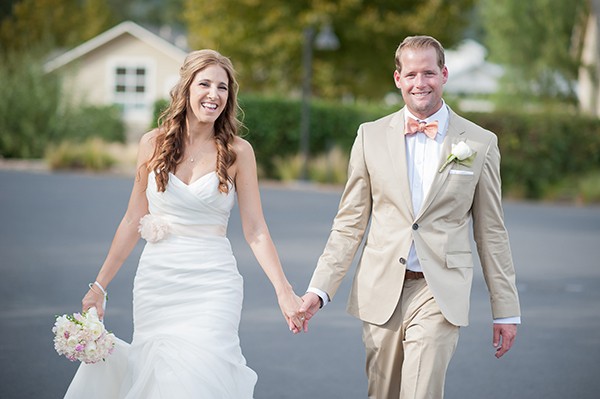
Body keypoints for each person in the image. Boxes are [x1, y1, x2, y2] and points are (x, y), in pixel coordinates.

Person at [63, 49, 305, 398]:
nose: (214, 94)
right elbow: (133, 218)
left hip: (213, 283)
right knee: (159, 379)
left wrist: (283, 291)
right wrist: (99, 286)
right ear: (186, 89)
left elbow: (255, 229)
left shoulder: (239, 151)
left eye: (222, 87)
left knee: (200, 377)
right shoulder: (153, 143)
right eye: (205, 83)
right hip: (158, 281)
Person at [299, 35, 521, 399]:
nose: (421, 83)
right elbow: (349, 223)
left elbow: (491, 230)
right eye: (412, 74)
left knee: (422, 391)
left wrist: (506, 310)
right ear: (397, 78)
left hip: (439, 289)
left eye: (429, 73)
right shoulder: (369, 136)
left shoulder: (479, 143)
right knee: (382, 391)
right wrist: (318, 290)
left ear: (444, 74)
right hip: (381, 284)